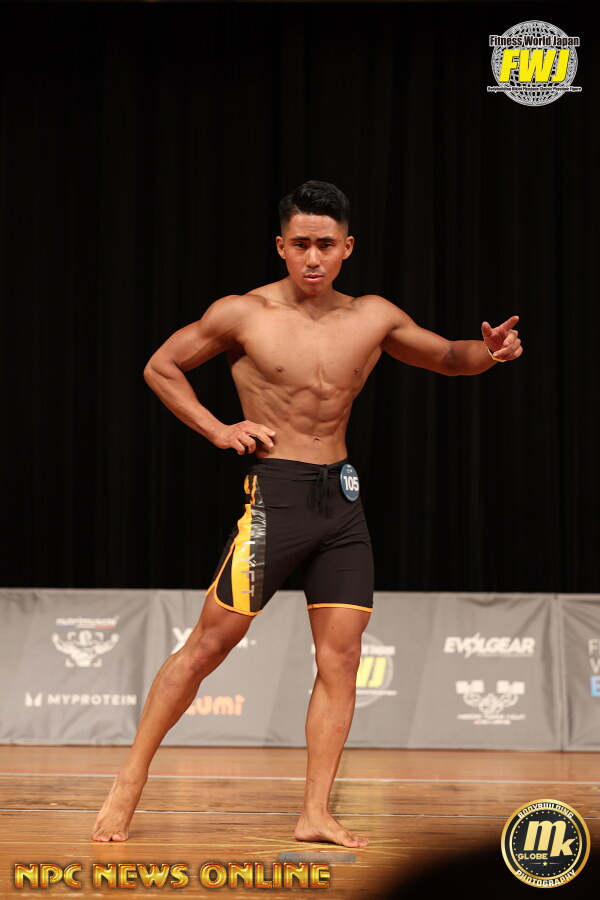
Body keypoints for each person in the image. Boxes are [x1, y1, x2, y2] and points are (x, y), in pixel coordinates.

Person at [92, 180, 522, 848]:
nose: (313, 257)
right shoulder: (244, 314)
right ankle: (129, 782)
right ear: (281, 246)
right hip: (278, 497)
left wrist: (489, 352)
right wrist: (217, 429)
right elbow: (161, 367)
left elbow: (446, 357)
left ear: (347, 247)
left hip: (341, 503)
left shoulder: (373, 317)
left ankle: (315, 812)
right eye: (301, 244)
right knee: (208, 645)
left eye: (326, 244)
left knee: (342, 659)